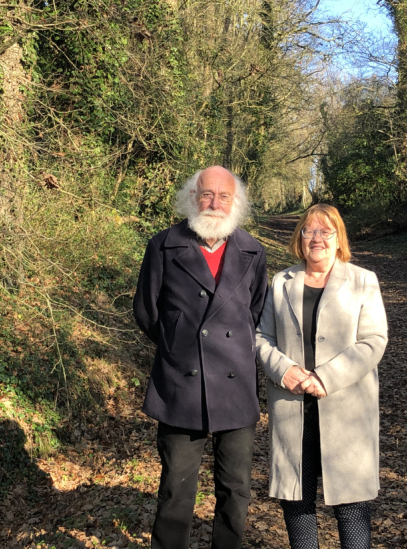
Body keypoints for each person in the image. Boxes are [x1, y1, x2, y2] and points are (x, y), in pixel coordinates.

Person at [133, 166, 268, 549]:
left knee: (236, 489)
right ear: (192, 197)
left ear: (236, 203)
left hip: (235, 385)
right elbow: (147, 311)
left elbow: (254, 313)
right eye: (207, 194)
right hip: (180, 384)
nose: (215, 203)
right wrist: (180, 343)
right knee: (175, 490)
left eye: (224, 197)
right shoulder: (162, 245)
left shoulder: (253, 251)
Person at [255, 204, 388, 549]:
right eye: (309, 231)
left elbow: (374, 340)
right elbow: (261, 337)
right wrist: (284, 371)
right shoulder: (281, 282)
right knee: (298, 503)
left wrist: (325, 377)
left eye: (325, 231)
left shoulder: (363, 280)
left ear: (338, 237)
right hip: (292, 407)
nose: (317, 238)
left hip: (346, 409)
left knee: (351, 505)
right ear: (300, 237)